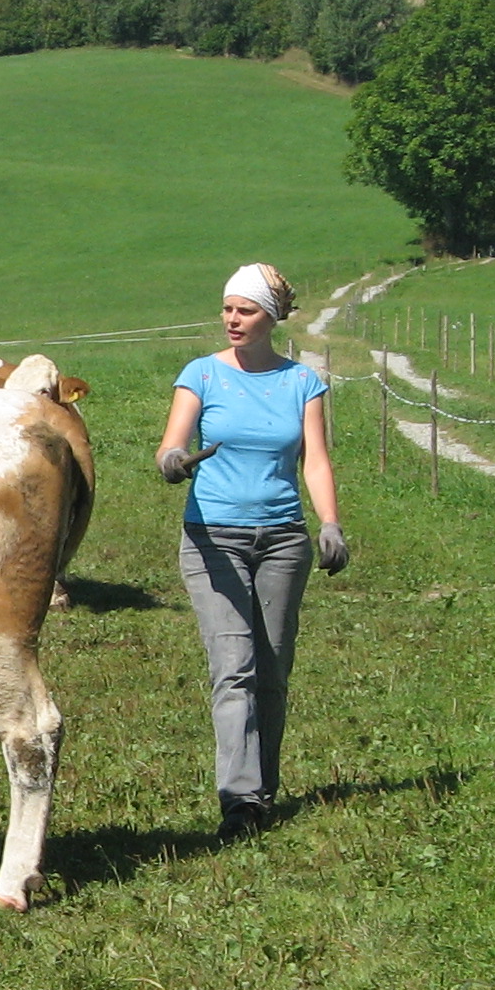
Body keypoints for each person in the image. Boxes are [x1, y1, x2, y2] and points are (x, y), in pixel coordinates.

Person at [155, 263, 347, 841]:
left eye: (246, 310)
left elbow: (314, 458)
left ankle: (263, 791)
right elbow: (172, 442)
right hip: (214, 538)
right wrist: (173, 462)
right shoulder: (202, 375)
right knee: (233, 667)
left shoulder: (301, 383)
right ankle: (239, 801)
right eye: (228, 308)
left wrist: (330, 522)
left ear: (271, 318)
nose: (232, 320)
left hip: (284, 540)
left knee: (272, 670)